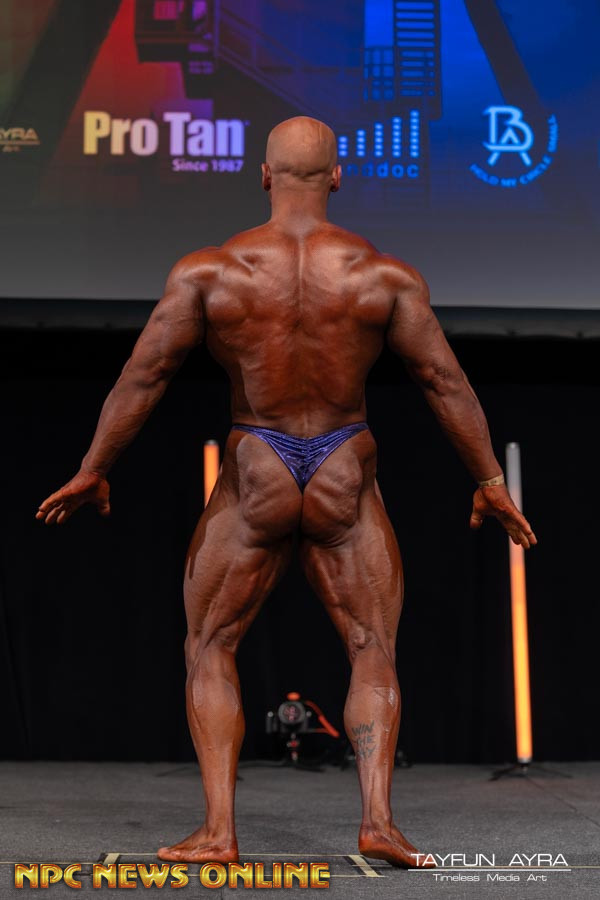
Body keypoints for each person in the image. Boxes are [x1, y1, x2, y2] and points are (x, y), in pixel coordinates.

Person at [36, 116, 537, 868]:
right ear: (337, 177)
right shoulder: (384, 277)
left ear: (264, 176)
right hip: (343, 465)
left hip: (258, 463)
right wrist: (489, 480)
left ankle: (218, 833)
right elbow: (443, 380)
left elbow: (146, 374)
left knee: (210, 644)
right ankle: (378, 822)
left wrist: (93, 466)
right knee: (372, 646)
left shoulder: (210, 273)